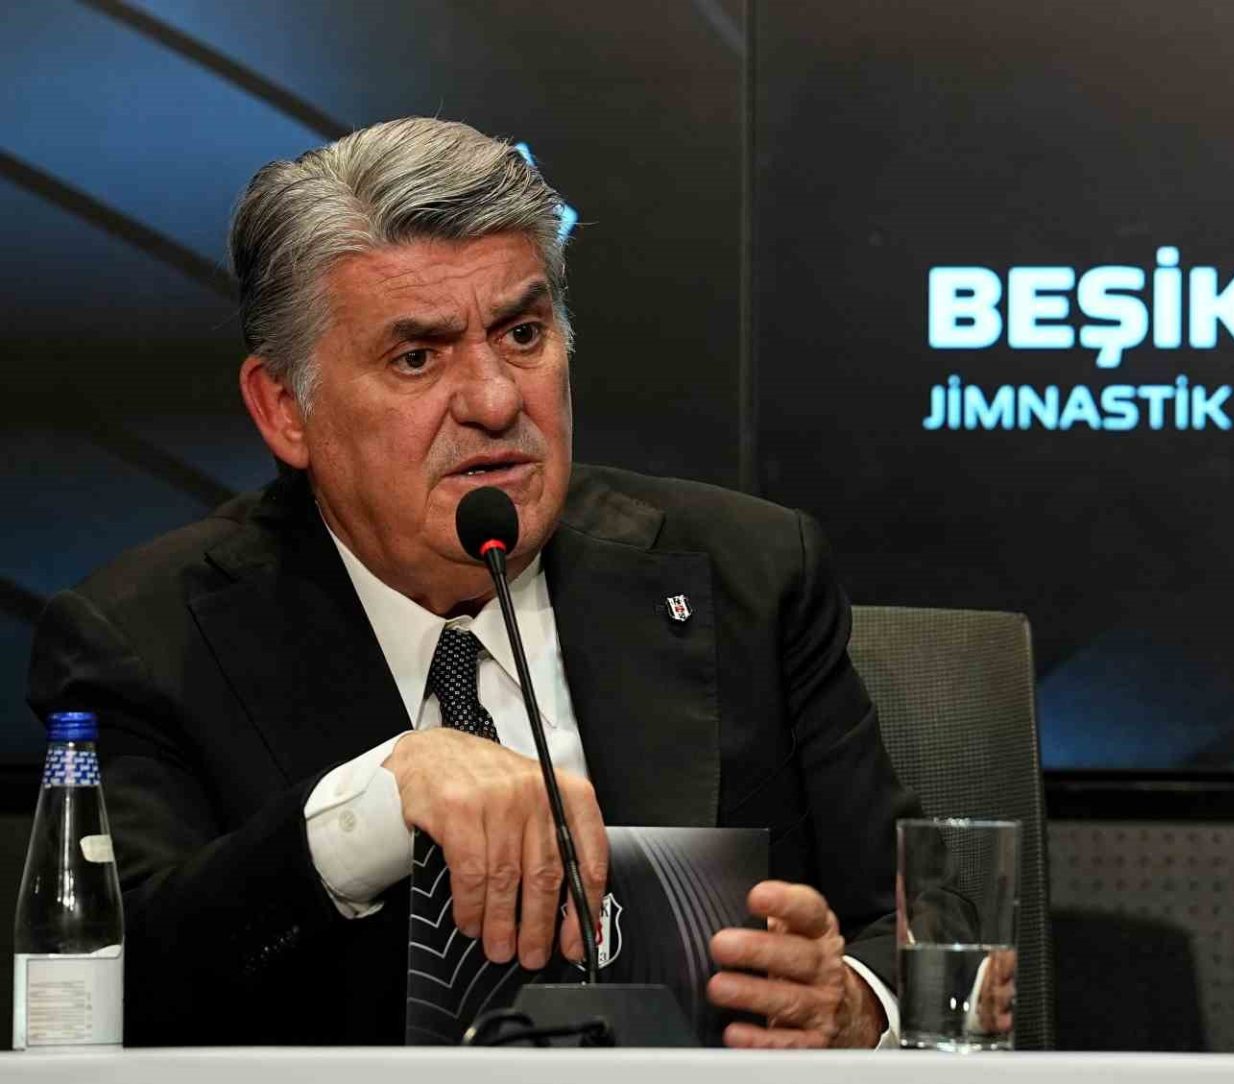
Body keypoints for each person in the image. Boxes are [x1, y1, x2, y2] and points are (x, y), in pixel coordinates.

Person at [27, 117, 920, 1047]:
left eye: (522, 334)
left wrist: (857, 1005)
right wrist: (373, 805)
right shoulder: (145, 639)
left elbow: (921, 918)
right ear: (285, 409)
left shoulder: (749, 575)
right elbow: (106, 986)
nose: (495, 401)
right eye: (417, 357)